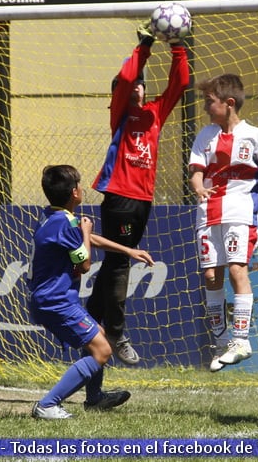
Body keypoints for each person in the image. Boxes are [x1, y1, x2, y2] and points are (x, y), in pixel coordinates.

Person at [88, 20, 190, 365]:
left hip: (143, 200)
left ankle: (88, 319)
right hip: (120, 196)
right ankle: (116, 332)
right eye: (128, 87)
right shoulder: (121, 114)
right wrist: (144, 46)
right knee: (119, 264)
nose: (135, 91)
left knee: (115, 262)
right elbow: (129, 78)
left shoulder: (155, 113)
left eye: (140, 87)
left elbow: (181, 82)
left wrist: (177, 46)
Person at [28, 165, 155, 420]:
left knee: (100, 337)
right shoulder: (66, 223)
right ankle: (47, 405)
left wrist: (128, 251)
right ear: (75, 192)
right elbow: (84, 264)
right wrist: (85, 231)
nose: (82, 188)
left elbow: (85, 239)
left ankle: (95, 398)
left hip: (52, 298)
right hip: (56, 301)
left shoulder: (54, 217)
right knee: (103, 350)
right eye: (80, 185)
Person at [188, 73, 258, 372]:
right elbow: (196, 171)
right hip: (207, 213)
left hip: (240, 212)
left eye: (210, 102)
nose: (206, 107)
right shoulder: (205, 135)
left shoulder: (255, 136)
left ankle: (241, 339)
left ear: (229, 103)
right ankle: (221, 340)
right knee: (211, 276)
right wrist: (197, 186)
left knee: (237, 270)